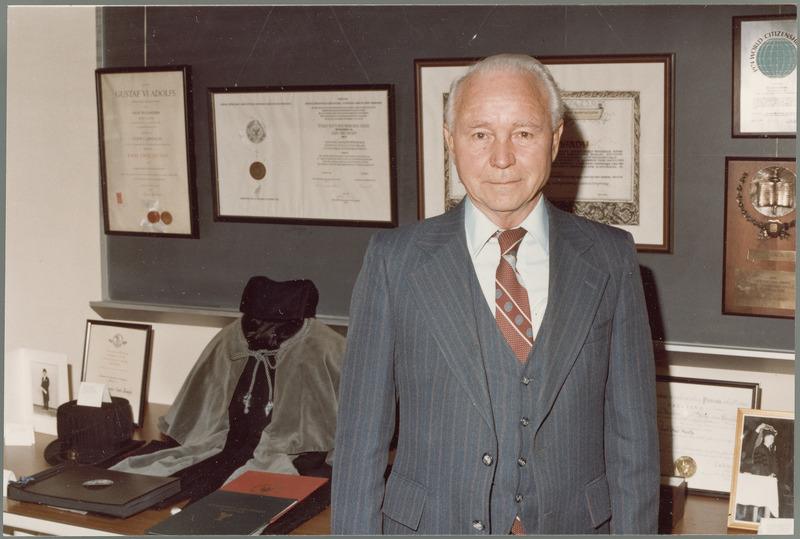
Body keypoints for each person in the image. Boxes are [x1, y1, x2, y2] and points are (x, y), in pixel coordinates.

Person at [332, 54, 659, 535]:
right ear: (450, 141)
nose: (501, 157)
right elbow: (360, 443)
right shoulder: (394, 260)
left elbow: (635, 442)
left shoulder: (611, 258)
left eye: (523, 133)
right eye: (480, 133)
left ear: (555, 139)